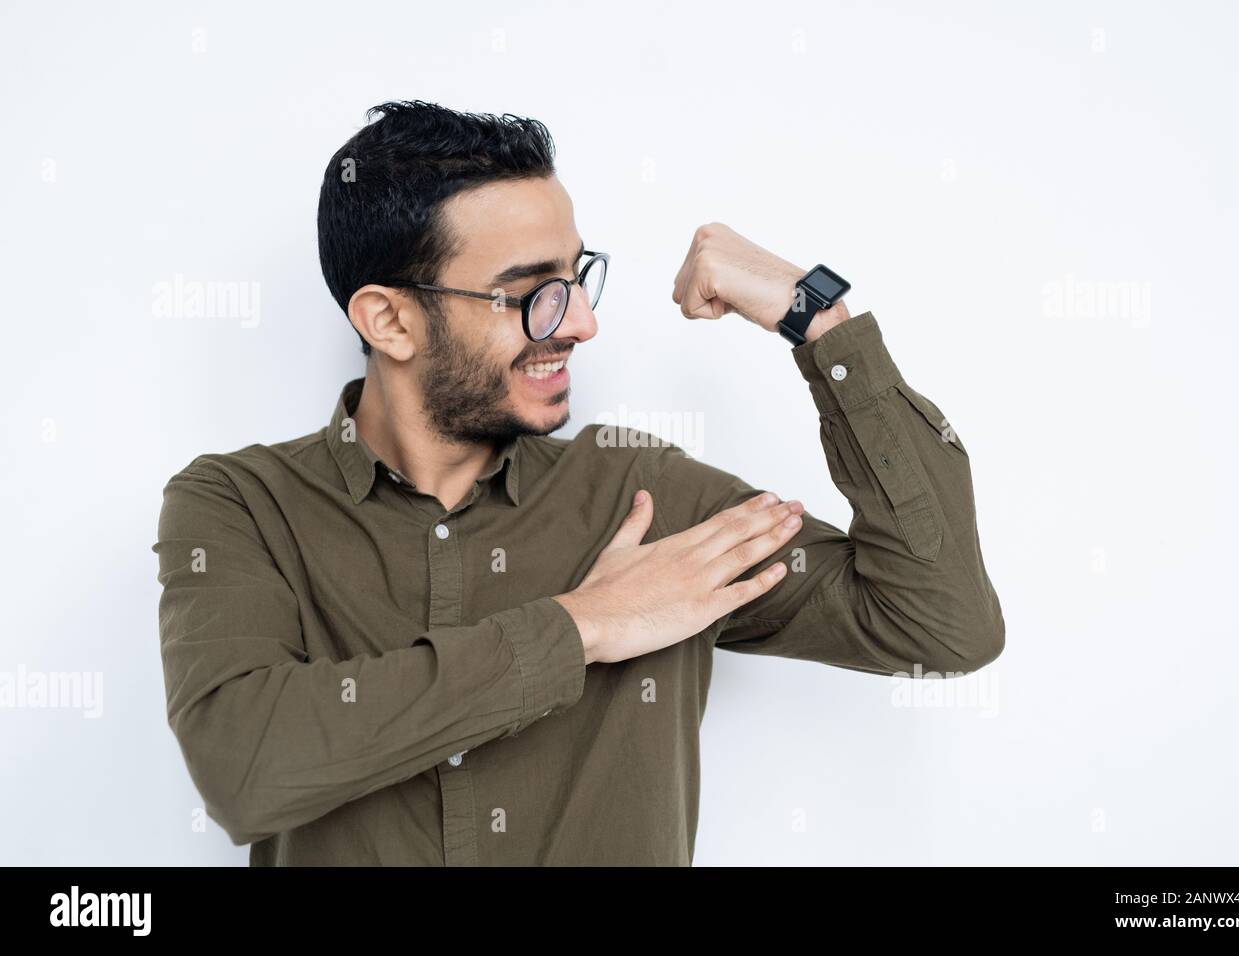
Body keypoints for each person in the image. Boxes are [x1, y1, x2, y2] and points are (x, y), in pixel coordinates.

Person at [152, 100, 1004, 866]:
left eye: (576, 277)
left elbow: (940, 625)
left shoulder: (647, 495)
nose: (583, 323)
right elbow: (245, 770)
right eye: (531, 295)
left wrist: (819, 321)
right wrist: (583, 627)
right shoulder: (239, 505)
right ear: (389, 319)